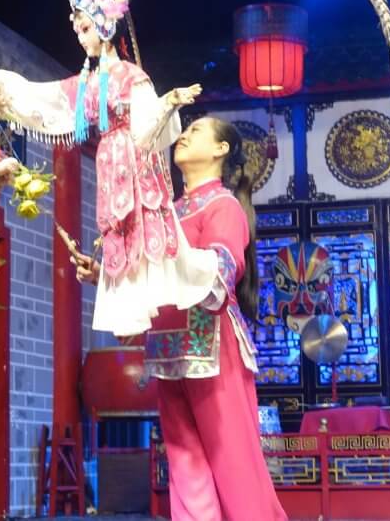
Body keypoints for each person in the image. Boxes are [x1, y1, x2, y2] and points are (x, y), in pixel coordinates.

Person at [0, 0, 219, 338]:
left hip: (135, 161)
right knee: (118, 231)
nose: (81, 37)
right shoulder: (89, 83)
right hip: (111, 165)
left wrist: (169, 102)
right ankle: (129, 310)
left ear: (105, 26)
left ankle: (171, 288)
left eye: (86, 28)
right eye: (77, 30)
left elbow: (146, 130)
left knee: (143, 227)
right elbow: (38, 95)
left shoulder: (131, 77)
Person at [76, 116, 288, 521]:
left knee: (234, 465)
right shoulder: (168, 211)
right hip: (170, 346)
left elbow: (224, 267)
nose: (184, 134)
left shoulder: (223, 205)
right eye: (185, 130)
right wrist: (104, 274)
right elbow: (150, 273)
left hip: (213, 346)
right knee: (186, 466)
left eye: (197, 131)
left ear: (221, 150)